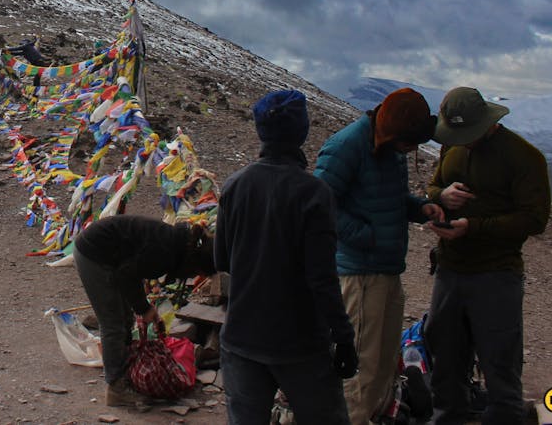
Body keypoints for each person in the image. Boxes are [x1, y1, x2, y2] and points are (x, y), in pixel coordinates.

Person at [214, 89, 358, 425]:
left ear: (260, 130)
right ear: (302, 132)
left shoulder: (235, 185)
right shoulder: (314, 194)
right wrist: (344, 338)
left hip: (241, 338)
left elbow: (222, 261)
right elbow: (322, 279)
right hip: (301, 344)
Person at [315, 88, 444, 424]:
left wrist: (421, 209)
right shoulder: (348, 146)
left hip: (386, 272)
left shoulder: (390, 148)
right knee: (359, 368)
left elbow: (389, 199)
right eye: (410, 141)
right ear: (393, 132)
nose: (413, 149)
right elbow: (319, 205)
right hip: (358, 275)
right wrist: (366, 237)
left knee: (385, 363)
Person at [425, 87, 550, 424]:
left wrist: (474, 227)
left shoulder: (523, 157)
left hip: (496, 274)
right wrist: (442, 195)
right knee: (446, 360)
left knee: (500, 366)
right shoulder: (452, 145)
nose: (463, 140)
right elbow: (433, 187)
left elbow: (535, 218)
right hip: (450, 270)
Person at [73, 214, 216, 408]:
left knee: (125, 320)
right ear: (194, 262)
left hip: (111, 257)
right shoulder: (165, 252)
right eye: (196, 273)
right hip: (94, 255)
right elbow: (127, 275)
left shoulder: (175, 245)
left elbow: (133, 271)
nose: (192, 276)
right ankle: (116, 388)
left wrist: (143, 308)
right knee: (113, 324)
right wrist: (144, 308)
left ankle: (124, 376)